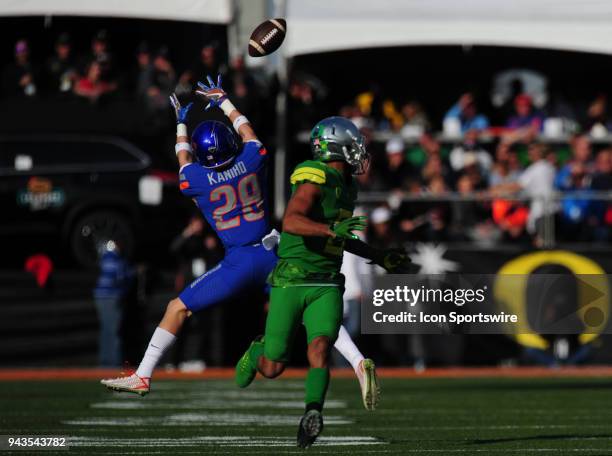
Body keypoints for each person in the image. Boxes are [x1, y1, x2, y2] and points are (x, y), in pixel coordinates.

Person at [101, 77, 381, 409]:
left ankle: (144, 375)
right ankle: (357, 361)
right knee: (312, 308)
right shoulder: (253, 159)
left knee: (178, 307)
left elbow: (183, 157)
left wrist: (180, 124)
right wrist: (224, 102)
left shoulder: (196, 180)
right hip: (274, 250)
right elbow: (248, 132)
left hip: (239, 261)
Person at [235, 117, 411, 448]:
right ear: (338, 147)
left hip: (328, 281)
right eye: (356, 145)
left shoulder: (348, 186)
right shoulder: (314, 176)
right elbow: (292, 221)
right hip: (293, 278)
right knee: (272, 367)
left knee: (319, 349)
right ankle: (256, 350)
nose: (361, 152)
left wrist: (378, 254)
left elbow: (341, 238)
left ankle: (312, 413)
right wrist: (330, 231)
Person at [94, 240, 133, 367]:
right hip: (111, 297)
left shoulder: (103, 260)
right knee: (114, 331)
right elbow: (121, 278)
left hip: (102, 297)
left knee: (106, 330)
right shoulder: (115, 261)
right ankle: (112, 363)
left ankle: (106, 361)